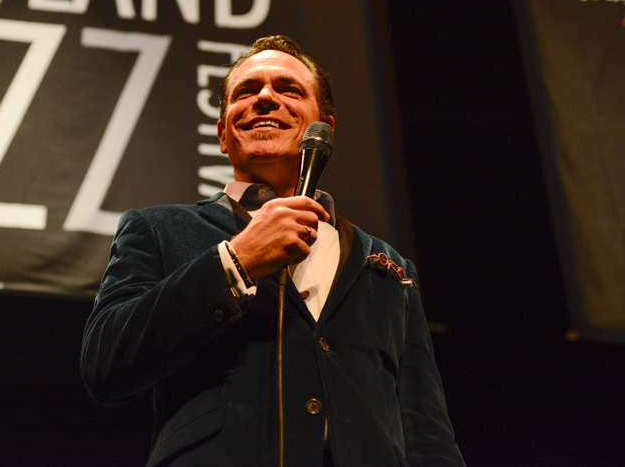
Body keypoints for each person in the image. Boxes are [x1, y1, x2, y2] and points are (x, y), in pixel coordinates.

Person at [81, 36, 463, 466]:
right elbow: (105, 364)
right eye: (246, 92)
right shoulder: (157, 229)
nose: (265, 98)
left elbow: (425, 427)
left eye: (288, 89)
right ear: (224, 134)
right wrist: (234, 261)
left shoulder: (390, 267)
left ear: (325, 130)